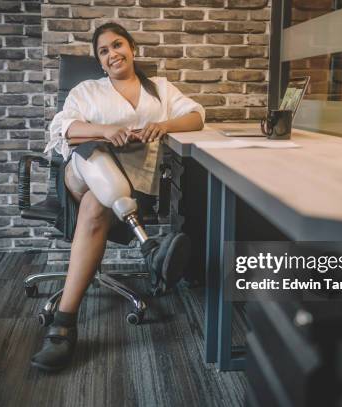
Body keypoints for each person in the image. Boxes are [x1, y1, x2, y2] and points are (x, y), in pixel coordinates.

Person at [31, 22, 205, 372]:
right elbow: (63, 128)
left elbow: (198, 116)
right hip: (78, 178)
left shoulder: (160, 90)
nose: (112, 54)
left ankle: (63, 325)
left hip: (132, 186)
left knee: (99, 202)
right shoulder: (86, 91)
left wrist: (164, 126)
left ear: (132, 48)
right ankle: (149, 250)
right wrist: (105, 131)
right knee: (92, 165)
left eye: (117, 45)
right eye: (104, 51)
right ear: (99, 61)